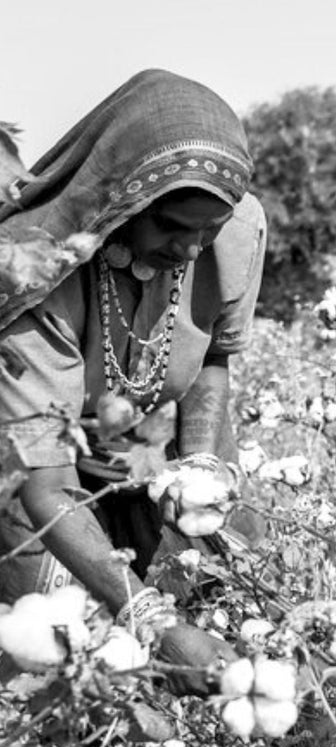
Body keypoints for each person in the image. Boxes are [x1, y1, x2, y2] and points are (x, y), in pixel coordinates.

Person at [0, 70, 266, 685]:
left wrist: (199, 465)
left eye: (208, 228)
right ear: (124, 200)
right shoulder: (36, 274)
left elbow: (213, 357)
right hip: (33, 471)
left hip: (143, 452)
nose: (192, 248)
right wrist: (152, 620)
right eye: (172, 227)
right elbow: (46, 486)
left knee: (238, 592)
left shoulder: (234, 232)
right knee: (65, 652)